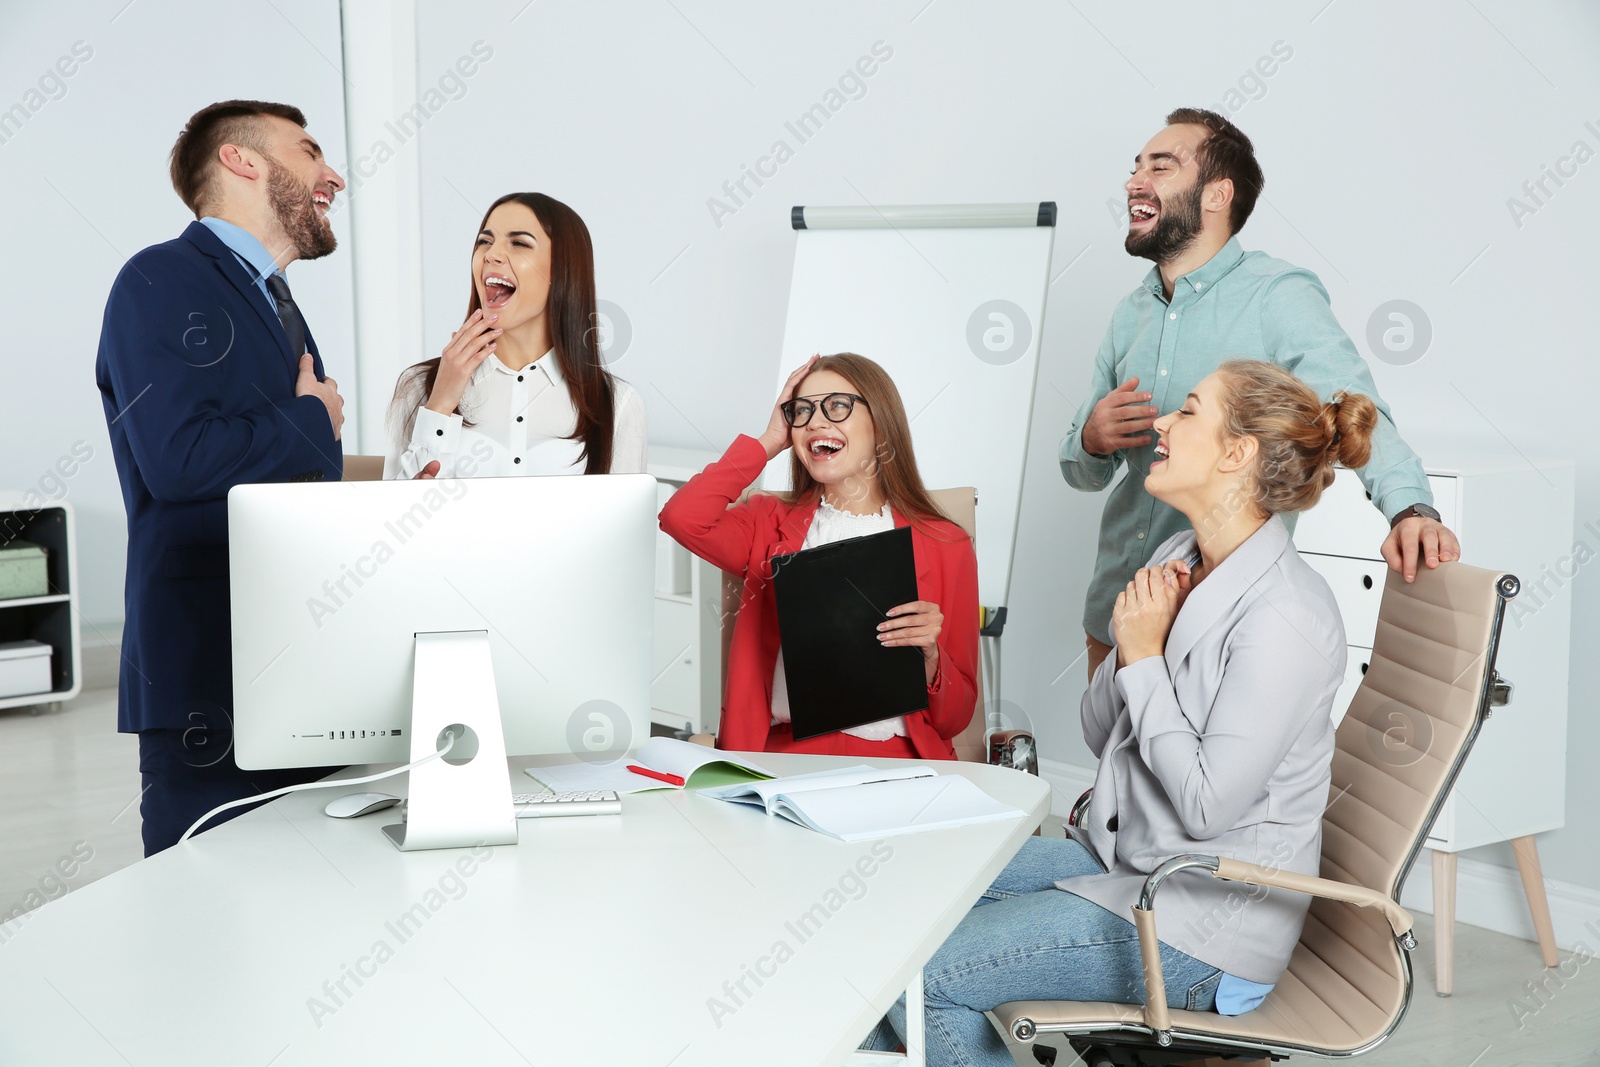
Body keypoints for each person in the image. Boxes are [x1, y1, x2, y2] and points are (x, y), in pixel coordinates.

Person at [865, 361, 1374, 1065]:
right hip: (1120, 861)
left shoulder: (1286, 615)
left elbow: (1206, 807)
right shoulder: (1179, 556)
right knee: (890, 910)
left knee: (920, 975)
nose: (1162, 422)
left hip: (1201, 921)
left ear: (1237, 452)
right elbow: (1101, 730)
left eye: (1188, 411)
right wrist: (1133, 639)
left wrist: (1142, 654)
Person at [1062, 107, 1458, 679]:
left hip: (1212, 615)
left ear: (1217, 194)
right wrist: (1092, 441)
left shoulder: (1279, 296)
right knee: (1115, 765)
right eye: (1135, 167)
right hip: (1115, 608)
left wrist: (1411, 509)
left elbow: (1358, 408)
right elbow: (1080, 471)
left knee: (1201, 768)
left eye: (1161, 166)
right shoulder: (1129, 317)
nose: (1134, 182)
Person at [94, 100, 347, 856]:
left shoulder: (279, 304)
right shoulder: (159, 278)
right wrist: (312, 419)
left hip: (301, 673)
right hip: (211, 684)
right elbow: (179, 459)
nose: (332, 176)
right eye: (308, 153)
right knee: (203, 940)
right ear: (242, 161)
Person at [659, 353, 978, 759]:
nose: (815, 421)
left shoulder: (946, 543)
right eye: (802, 410)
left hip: (897, 762)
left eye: (838, 405)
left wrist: (931, 657)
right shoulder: (765, 522)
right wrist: (768, 441)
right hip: (784, 758)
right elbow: (681, 517)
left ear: (881, 421)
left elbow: (956, 718)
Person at [385, 192, 646, 479]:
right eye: (485, 241)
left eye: (519, 243)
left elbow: (627, 521)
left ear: (563, 271)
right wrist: (440, 403)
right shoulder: (418, 386)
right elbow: (396, 514)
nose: (491, 254)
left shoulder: (618, 403)